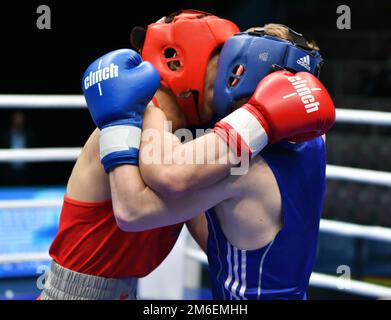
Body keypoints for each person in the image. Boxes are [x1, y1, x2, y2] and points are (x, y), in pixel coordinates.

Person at [83, 23, 335, 300]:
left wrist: (122, 119)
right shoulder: (312, 142)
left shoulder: (245, 168)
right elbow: (222, 241)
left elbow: (133, 211)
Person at [40, 10, 239, 300]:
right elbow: (131, 213)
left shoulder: (184, 141)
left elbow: (216, 245)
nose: (232, 73)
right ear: (177, 60)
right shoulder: (128, 124)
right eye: (220, 58)